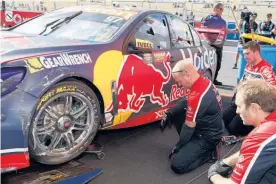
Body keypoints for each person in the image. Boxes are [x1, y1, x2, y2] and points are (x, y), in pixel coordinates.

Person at [160, 60, 223, 174]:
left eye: (179, 81)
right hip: (206, 126)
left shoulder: (198, 95)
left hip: (207, 137)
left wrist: (179, 146)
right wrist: (169, 113)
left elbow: (189, 126)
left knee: (177, 165)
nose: (179, 85)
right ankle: (190, 145)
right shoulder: (203, 81)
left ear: (187, 75)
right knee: (176, 113)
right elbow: (186, 100)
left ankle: (209, 154)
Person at [208, 79, 276, 184]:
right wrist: (225, 162)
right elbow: (258, 150)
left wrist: (214, 175)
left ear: (254, 108)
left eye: (239, 106)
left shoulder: (260, 137)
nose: (237, 111)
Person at [223, 41, 276, 136]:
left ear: (256, 52)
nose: (245, 57)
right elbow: (242, 82)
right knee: (223, 119)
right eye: (244, 54)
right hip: (241, 102)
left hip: (251, 106)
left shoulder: (266, 69)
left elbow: (273, 89)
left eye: (247, 53)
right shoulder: (248, 65)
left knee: (233, 128)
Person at [201, 3, 239, 85]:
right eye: (221, 9)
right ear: (216, 9)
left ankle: (214, 80)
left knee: (218, 65)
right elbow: (202, 28)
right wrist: (207, 40)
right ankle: (206, 80)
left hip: (219, 46)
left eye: (223, 9)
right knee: (209, 65)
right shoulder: (209, 18)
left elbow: (224, 30)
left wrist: (233, 31)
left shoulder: (222, 21)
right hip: (210, 45)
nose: (222, 11)